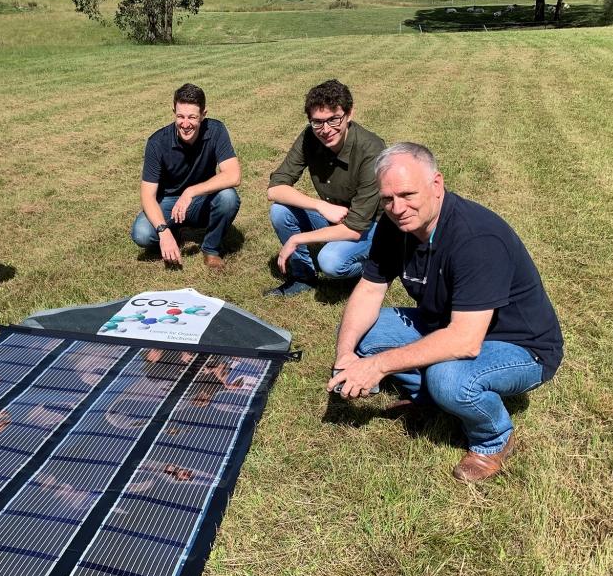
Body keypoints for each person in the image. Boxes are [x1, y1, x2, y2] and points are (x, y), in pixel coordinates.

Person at [327, 143, 563, 483]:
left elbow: (465, 341)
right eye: (387, 199)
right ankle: (433, 400)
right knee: (367, 333)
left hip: (521, 347)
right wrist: (346, 356)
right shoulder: (395, 226)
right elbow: (368, 291)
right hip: (448, 323)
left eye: (407, 194)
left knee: (449, 378)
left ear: (436, 184)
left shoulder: (476, 238)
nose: (397, 208)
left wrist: (377, 366)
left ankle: (493, 439)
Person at [265, 79, 386, 297]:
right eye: (317, 122)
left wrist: (297, 238)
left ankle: (379, 266)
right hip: (335, 216)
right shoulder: (310, 136)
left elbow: (355, 227)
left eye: (334, 119)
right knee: (280, 211)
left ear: (349, 114)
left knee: (330, 261)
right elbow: (275, 189)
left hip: (371, 225)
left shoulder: (372, 149)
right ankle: (303, 276)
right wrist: (320, 206)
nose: (326, 129)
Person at [131, 84, 241, 272]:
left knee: (228, 197)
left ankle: (211, 249)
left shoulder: (216, 130)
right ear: (174, 112)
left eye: (192, 117)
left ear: (203, 114)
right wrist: (163, 232)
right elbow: (147, 196)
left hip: (201, 199)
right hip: (168, 202)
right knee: (142, 234)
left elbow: (233, 175)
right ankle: (172, 230)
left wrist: (190, 192)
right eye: (180, 116)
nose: (185, 124)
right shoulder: (157, 142)